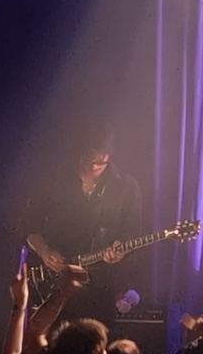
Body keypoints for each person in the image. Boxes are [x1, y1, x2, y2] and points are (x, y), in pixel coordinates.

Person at [22, 122, 142, 324]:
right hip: (53, 282)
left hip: (99, 287)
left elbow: (132, 232)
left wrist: (120, 250)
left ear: (109, 155)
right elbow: (28, 224)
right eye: (88, 160)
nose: (93, 166)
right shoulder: (55, 179)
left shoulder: (126, 187)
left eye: (100, 161)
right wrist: (44, 251)